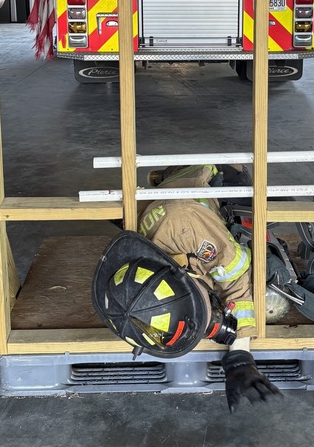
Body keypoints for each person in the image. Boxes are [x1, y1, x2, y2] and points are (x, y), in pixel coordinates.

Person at [92, 164, 281, 410]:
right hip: (172, 205)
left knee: (240, 187)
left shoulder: (189, 230)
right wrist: (238, 361)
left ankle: (180, 173)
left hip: (206, 177)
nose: (212, 320)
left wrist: (240, 354)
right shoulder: (132, 282)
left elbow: (236, 278)